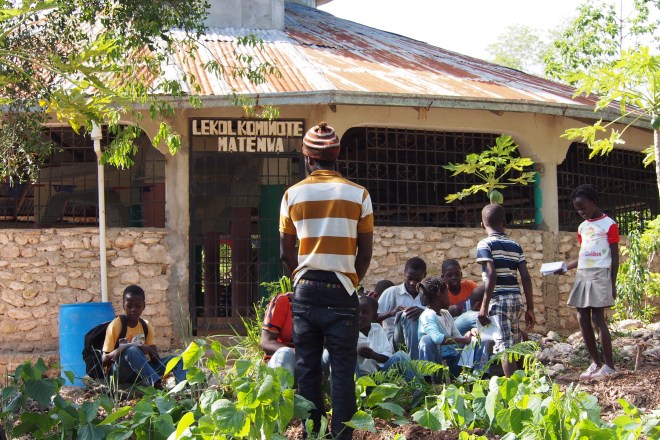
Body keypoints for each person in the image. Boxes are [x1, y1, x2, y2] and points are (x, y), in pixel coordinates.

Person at [279, 121, 373, 440]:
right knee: (342, 373)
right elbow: (365, 252)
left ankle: (314, 435)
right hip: (342, 291)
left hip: (306, 290)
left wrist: (301, 279)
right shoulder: (359, 194)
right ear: (336, 156)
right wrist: (349, 283)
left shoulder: (292, 194)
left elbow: (285, 253)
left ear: (307, 158)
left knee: (307, 371)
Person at [561, 184, 619, 380]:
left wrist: (612, 283)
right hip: (583, 274)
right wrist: (565, 267)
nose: (581, 212)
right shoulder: (582, 227)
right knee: (581, 316)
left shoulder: (609, 224)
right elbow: (584, 255)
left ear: (594, 202)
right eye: (578, 209)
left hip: (600, 274)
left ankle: (609, 366)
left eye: (584, 207)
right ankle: (595, 363)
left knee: (597, 318)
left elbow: (614, 257)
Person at [476, 204, 536, 378]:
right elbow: (525, 277)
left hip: (498, 301)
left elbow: (491, 275)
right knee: (515, 345)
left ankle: (513, 388)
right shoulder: (515, 245)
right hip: (516, 299)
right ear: (505, 222)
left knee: (505, 348)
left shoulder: (485, 244)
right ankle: (526, 383)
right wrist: (530, 307)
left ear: (482, 224)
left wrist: (483, 307)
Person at [102, 285, 185, 389]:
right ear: (123, 306)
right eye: (129, 306)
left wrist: (148, 349)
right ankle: (157, 385)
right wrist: (123, 348)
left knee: (178, 359)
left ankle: (181, 389)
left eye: (138, 306)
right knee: (132, 350)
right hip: (119, 373)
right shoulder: (116, 325)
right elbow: (104, 359)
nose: (133, 309)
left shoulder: (145, 325)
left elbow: (156, 360)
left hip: (139, 371)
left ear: (143, 306)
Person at [417, 277, 476, 378]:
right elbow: (437, 338)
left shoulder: (446, 313)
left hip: (453, 360)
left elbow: (457, 336)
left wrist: (469, 335)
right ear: (439, 295)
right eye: (447, 294)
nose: (449, 298)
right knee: (426, 340)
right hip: (438, 365)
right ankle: (428, 380)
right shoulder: (427, 315)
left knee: (475, 341)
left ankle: (475, 376)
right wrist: (463, 340)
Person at [377, 257, 427, 359]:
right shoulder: (392, 292)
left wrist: (424, 313)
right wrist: (392, 313)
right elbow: (372, 317)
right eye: (409, 278)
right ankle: (415, 363)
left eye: (417, 280)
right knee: (408, 316)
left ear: (424, 276)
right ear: (404, 273)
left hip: (422, 340)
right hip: (395, 342)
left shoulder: (428, 295)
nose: (412, 283)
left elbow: (439, 318)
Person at [357, 295, 415, 380]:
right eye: (356, 311)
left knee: (401, 355)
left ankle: (417, 386)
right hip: (357, 378)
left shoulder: (377, 328)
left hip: (378, 376)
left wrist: (373, 355)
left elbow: (388, 356)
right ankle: (355, 388)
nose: (359, 315)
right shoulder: (348, 331)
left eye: (364, 312)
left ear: (374, 317)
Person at [260, 292, 295, 381]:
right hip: (283, 362)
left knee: (327, 355)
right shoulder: (283, 300)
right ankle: (282, 389)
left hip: (312, 362)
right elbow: (266, 342)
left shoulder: (325, 304)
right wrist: (300, 353)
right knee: (286, 353)